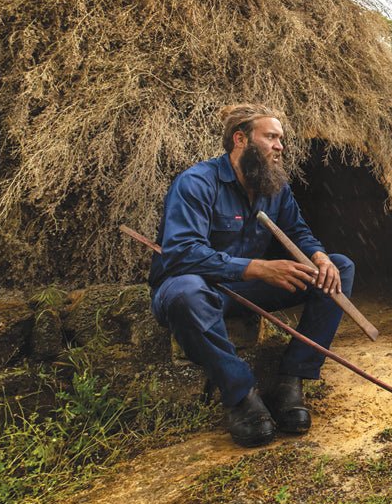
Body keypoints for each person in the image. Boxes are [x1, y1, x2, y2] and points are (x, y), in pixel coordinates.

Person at [148, 103, 355, 447]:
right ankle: (241, 395)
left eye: (281, 139)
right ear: (240, 139)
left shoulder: (275, 187)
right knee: (186, 291)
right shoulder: (197, 183)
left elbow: (298, 231)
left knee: (340, 267)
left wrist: (318, 256)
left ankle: (291, 381)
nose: (280, 146)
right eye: (271, 137)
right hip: (197, 289)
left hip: (245, 288)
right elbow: (182, 253)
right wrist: (257, 267)